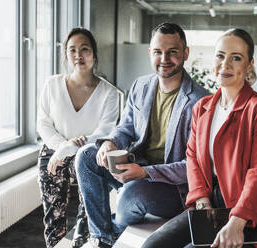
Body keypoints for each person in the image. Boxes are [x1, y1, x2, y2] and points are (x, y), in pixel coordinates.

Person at [142, 28, 257, 248]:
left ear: (249, 65)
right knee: (152, 245)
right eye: (220, 55)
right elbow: (193, 157)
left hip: (249, 209)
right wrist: (201, 201)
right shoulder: (202, 107)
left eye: (236, 58)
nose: (225, 64)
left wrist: (237, 222)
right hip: (211, 203)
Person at [74, 23, 208, 248]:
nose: (164, 58)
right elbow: (126, 128)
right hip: (136, 168)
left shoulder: (200, 102)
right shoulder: (141, 85)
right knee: (86, 156)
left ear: (185, 53)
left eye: (172, 52)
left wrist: (145, 172)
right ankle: (102, 236)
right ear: (150, 53)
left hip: (172, 187)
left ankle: (114, 229)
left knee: (131, 195)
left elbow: (193, 168)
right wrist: (110, 142)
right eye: (158, 52)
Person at [37, 27, 119, 248]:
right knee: (54, 218)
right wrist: (63, 147)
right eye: (72, 50)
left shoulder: (110, 94)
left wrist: (70, 149)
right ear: (66, 54)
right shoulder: (52, 85)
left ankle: (82, 241)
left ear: (94, 54)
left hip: (87, 154)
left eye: (84, 49)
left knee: (87, 210)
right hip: (53, 152)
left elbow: (104, 133)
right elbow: (43, 124)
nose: (78, 55)